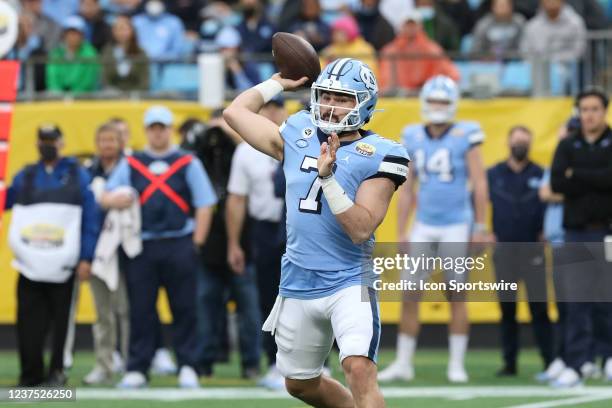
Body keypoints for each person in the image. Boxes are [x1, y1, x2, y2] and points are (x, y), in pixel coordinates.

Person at [224, 58, 409, 407]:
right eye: (326, 95)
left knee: (358, 367)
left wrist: (329, 179)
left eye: (342, 99)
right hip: (298, 278)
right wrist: (277, 83)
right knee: (300, 385)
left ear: (364, 103)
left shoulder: (382, 153)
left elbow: (361, 228)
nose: (331, 106)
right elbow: (235, 113)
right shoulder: (297, 131)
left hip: (349, 278)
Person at [378, 75, 490, 384]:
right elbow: (407, 186)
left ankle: (456, 364)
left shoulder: (465, 133)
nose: (438, 107)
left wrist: (480, 226)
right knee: (410, 294)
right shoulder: (413, 135)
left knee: (457, 293)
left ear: (452, 104)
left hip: (456, 222)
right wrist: (402, 230)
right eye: (434, 101)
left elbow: (480, 183)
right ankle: (403, 362)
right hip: (424, 224)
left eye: (443, 101)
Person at [101, 105, 217, 388]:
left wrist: (196, 243)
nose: (157, 132)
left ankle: (187, 365)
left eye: (162, 127)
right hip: (141, 245)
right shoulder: (131, 163)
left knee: (185, 308)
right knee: (140, 309)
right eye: (152, 127)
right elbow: (105, 195)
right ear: (146, 130)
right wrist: (113, 200)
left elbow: (205, 203)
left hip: (179, 242)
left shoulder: (187, 161)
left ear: (170, 129)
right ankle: (137, 367)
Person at [5, 124, 99, 387]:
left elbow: (90, 218)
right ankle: (30, 375)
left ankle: (57, 373)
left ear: (62, 142)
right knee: (27, 323)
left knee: (62, 325)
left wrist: (86, 257)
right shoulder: (26, 175)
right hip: (30, 264)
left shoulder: (76, 175)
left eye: (52, 140)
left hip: (64, 264)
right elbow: (6, 200)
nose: (48, 144)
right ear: (36, 143)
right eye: (43, 140)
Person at [188, 111, 263, 380]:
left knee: (249, 311)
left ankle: (251, 362)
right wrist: (205, 136)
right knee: (206, 308)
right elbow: (190, 156)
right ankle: (204, 362)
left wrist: (233, 135)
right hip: (209, 248)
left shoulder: (243, 153)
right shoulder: (199, 157)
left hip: (243, 244)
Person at [550, 88, 612, 387]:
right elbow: (558, 182)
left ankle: (608, 357)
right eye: (584, 109)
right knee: (576, 300)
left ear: (604, 111)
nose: (589, 115)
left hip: (608, 232)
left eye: (595, 109)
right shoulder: (567, 144)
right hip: (575, 232)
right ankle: (576, 362)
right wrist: (597, 177)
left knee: (606, 298)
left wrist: (580, 175)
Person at [226, 98, 288, 389]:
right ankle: (274, 361)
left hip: (298, 227)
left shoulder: (302, 141)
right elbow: (237, 198)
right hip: (263, 228)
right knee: (268, 298)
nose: (274, 112)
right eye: (268, 108)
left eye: (279, 107)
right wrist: (234, 243)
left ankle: (319, 362)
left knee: (309, 297)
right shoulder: (245, 151)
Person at [487, 125, 553, 377]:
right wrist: (484, 231)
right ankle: (509, 363)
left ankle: (549, 361)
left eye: (525, 142)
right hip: (504, 250)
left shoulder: (541, 174)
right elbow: (477, 202)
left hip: (533, 249)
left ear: (531, 144)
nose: (520, 146)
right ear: (508, 143)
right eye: (517, 141)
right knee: (507, 310)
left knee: (539, 309)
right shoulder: (493, 174)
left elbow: (549, 207)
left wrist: (546, 230)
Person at [83, 122, 130, 385]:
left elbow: (131, 200)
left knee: (125, 309)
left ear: (120, 142)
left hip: (123, 249)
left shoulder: (131, 168)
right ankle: (104, 363)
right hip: (97, 250)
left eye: (112, 140)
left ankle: (130, 364)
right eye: (103, 140)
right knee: (102, 312)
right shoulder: (88, 172)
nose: (107, 145)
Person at [378, 12, 459, 94]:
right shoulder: (390, 51)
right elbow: (385, 82)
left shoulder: (432, 50)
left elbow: (452, 75)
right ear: (401, 26)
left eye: (413, 25)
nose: (410, 28)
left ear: (420, 26)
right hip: (399, 98)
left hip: (426, 96)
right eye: (407, 25)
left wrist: (434, 89)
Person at [46, 15, 100, 94]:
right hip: (58, 100)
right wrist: (60, 96)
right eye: (70, 33)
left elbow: (88, 81)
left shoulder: (90, 53)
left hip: (84, 99)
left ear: (82, 35)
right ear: (64, 35)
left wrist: (73, 96)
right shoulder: (56, 54)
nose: (72, 37)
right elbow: (52, 80)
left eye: (76, 33)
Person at [519, 0, 586, 63]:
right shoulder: (531, 26)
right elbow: (526, 53)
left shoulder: (575, 23)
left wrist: (554, 62)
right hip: (538, 70)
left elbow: (579, 52)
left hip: (568, 70)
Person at [101, 14, 150, 91]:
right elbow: (104, 79)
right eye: (117, 29)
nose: (121, 32)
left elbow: (144, 81)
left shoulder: (141, 52)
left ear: (132, 30)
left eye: (124, 29)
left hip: (136, 96)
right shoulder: (107, 51)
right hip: (112, 96)